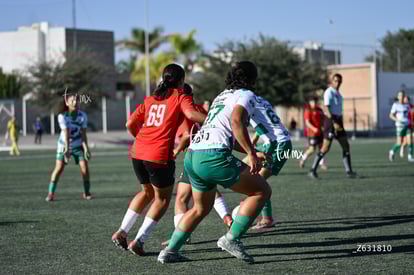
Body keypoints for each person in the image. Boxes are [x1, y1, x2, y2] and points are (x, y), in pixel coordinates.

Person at [158, 61, 271, 264]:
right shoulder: (246, 95)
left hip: (194, 155)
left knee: (200, 208)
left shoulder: (222, 95)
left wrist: (252, 151)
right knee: (261, 191)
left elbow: (224, 134)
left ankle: (170, 251)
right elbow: (236, 122)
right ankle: (232, 239)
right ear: (252, 79)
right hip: (213, 157)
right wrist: (252, 153)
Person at [111, 64, 206, 256]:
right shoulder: (181, 96)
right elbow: (191, 114)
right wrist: (215, 118)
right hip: (158, 154)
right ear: (181, 81)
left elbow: (130, 123)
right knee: (162, 200)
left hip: (137, 151)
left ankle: (122, 232)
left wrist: (141, 139)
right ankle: (139, 241)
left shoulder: (151, 99)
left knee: (146, 193)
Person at [161, 85, 232, 246]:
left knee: (181, 198)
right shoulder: (199, 108)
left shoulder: (183, 110)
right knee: (210, 189)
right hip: (211, 153)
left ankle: (181, 235)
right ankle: (228, 218)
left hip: (195, 157)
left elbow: (187, 135)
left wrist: (177, 150)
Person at [242, 95, 291, 229]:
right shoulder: (259, 99)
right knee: (242, 171)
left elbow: (239, 123)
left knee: (258, 181)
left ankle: (266, 218)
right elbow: (263, 121)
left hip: (278, 144)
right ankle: (248, 208)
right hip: (272, 143)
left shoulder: (244, 101)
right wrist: (255, 140)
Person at [308, 73, 358, 179]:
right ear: (332, 81)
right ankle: (312, 170)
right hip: (331, 122)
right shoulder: (329, 92)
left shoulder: (338, 94)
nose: (337, 82)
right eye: (335, 80)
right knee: (325, 148)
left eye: (339, 81)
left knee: (346, 146)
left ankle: (349, 171)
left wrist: (339, 121)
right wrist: (333, 122)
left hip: (338, 121)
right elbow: (327, 108)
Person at [45, 93, 92, 201]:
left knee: (85, 168)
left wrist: (86, 149)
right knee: (59, 168)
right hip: (63, 145)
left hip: (78, 145)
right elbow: (66, 134)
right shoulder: (62, 116)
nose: (75, 102)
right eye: (72, 100)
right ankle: (50, 194)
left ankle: (86, 192)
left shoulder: (83, 116)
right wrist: (66, 149)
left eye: (77, 100)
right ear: (67, 102)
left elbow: (83, 134)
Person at [299, 97, 327, 169]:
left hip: (320, 132)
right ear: (310, 103)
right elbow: (307, 122)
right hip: (312, 134)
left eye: (315, 102)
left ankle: (322, 163)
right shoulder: (308, 110)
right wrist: (314, 129)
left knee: (322, 148)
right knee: (312, 149)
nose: (314, 104)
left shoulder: (319, 110)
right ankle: (303, 159)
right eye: (312, 102)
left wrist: (324, 126)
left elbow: (323, 119)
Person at [389, 91, 413, 162]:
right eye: (400, 96)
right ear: (398, 97)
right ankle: (392, 151)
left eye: (403, 96)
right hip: (400, 126)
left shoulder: (407, 105)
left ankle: (410, 156)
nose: (401, 97)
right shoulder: (395, 105)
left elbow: (409, 114)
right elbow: (391, 115)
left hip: (407, 125)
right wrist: (398, 120)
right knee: (399, 143)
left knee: (410, 141)